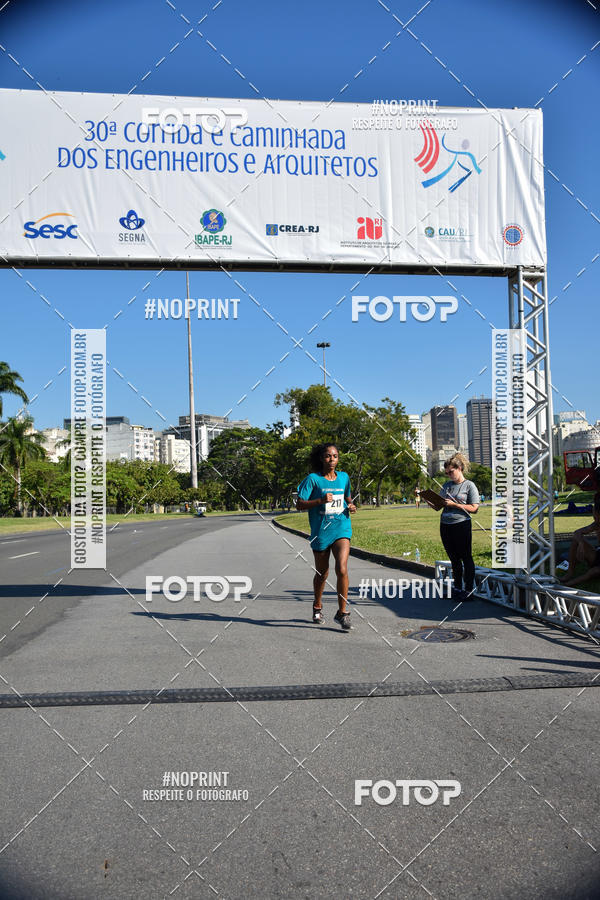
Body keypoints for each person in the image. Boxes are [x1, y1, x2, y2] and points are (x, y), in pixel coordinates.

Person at [296, 443, 357, 630]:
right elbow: (299, 504)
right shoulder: (313, 480)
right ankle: (317, 605)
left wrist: (351, 505)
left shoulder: (344, 477)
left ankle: (342, 612)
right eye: (328, 456)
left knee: (342, 568)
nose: (332, 460)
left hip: (341, 528)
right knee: (322, 573)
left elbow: (347, 496)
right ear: (321, 458)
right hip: (321, 532)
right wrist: (320, 501)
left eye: (335, 456)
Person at [427, 452, 480, 601]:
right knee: (453, 558)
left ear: (460, 468)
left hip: (461, 524)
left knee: (465, 557)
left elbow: (475, 508)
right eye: (447, 473)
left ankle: (468, 590)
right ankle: (457, 588)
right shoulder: (446, 486)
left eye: (451, 472)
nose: (449, 475)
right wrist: (427, 498)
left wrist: (455, 505)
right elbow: (438, 506)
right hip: (445, 525)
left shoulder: (469, 486)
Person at [559, 493, 600, 587]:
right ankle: (569, 574)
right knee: (575, 540)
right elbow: (577, 532)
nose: (594, 518)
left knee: (594, 571)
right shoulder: (596, 524)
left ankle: (569, 584)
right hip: (597, 557)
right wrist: (581, 543)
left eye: (595, 515)